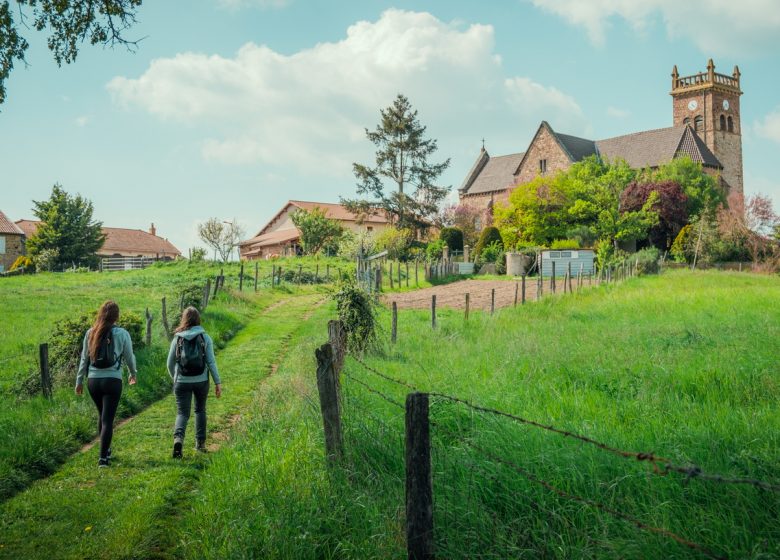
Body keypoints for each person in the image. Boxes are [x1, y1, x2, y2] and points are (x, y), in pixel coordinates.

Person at [75, 300, 137, 468]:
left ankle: (105, 450)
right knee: (107, 419)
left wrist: (79, 381)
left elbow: (84, 360)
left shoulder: (90, 333)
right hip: (112, 380)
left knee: (102, 415)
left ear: (101, 314)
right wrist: (133, 373)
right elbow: (129, 357)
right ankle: (103, 458)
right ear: (116, 316)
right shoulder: (122, 333)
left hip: (93, 381)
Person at [167, 306, 221, 458]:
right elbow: (211, 362)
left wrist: (175, 378)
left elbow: (169, 363)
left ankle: (178, 439)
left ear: (184, 319)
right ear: (198, 320)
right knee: (200, 410)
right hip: (201, 380)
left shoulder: (177, 338)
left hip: (181, 381)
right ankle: (200, 444)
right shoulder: (205, 337)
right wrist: (218, 382)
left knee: (182, 413)